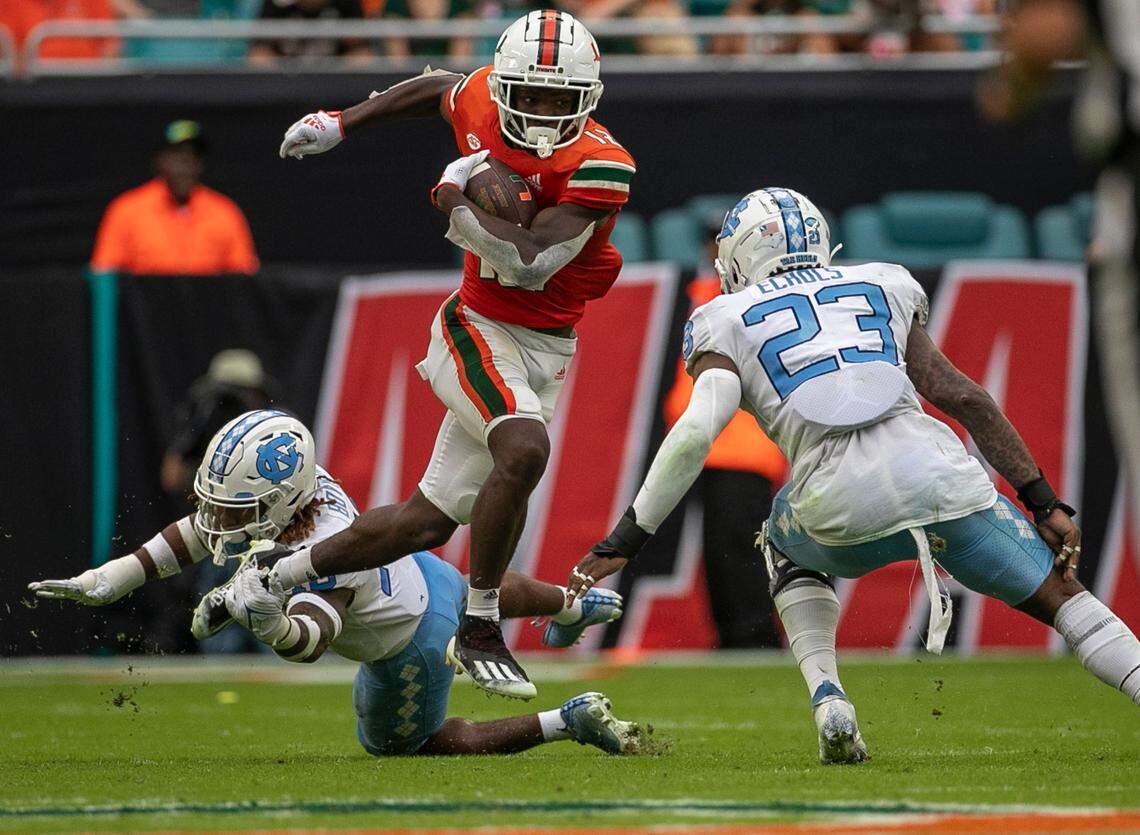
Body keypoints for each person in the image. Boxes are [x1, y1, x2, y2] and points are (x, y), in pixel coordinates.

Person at [567, 188, 1140, 764]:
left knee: (781, 544)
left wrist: (628, 538)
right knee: (1068, 602)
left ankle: (828, 695)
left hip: (832, 504)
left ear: (738, 254)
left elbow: (694, 434)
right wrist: (1043, 501)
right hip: (940, 478)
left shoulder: (722, 316)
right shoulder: (882, 281)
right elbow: (964, 397)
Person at [266, 10, 636, 699]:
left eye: (561, 100)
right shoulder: (480, 97)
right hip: (476, 326)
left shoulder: (603, 164)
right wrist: (341, 121)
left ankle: (276, 571)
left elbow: (532, 260)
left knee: (424, 522)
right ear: (504, 88)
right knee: (523, 450)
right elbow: (437, 85)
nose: (545, 112)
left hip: (544, 343)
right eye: (530, 96)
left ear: (588, 99)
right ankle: (482, 624)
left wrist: (454, 199)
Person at [27, 410, 637, 757]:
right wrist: (116, 576)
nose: (223, 521)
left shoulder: (329, 547)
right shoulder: (299, 491)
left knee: (409, 747)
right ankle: (568, 603)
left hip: (410, 644)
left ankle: (567, 720)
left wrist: (265, 619)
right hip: (415, 575)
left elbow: (314, 638)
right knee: (477, 588)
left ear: (280, 501)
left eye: (239, 510)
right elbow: (197, 532)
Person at [90, 120, 259, 276]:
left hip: (207, 306)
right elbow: (104, 274)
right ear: (160, 161)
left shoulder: (225, 213)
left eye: (193, 157)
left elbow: (244, 278)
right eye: (177, 156)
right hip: (147, 307)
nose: (185, 165)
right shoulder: (127, 211)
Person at [161, 349, 279, 499]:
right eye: (231, 395)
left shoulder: (274, 424)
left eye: (249, 393)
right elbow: (171, 476)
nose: (240, 402)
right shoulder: (205, 414)